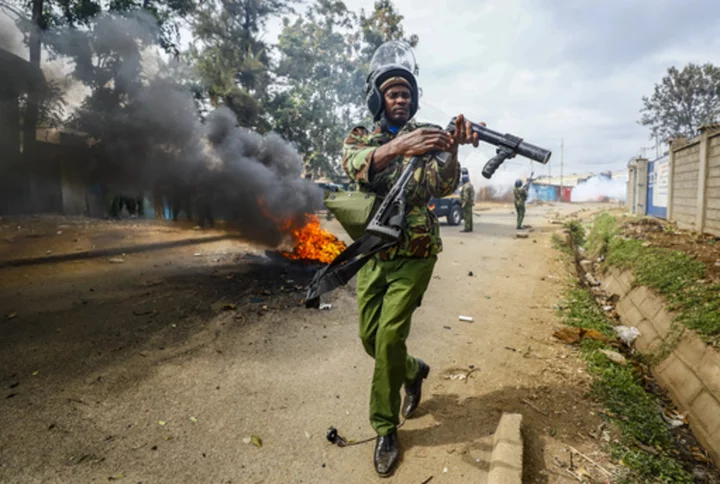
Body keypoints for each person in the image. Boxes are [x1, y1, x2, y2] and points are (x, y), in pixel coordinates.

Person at [341, 41, 483, 477]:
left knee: (387, 338)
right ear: (378, 99)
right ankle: (414, 371)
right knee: (371, 339)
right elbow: (353, 165)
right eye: (391, 93)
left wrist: (453, 148)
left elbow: (441, 185)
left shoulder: (429, 135)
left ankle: (385, 428)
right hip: (374, 252)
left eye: (405, 93)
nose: (399, 99)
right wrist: (398, 148)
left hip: (416, 253)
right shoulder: (362, 136)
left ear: (413, 100)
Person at [459, 168, 475, 232]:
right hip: (470, 203)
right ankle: (470, 228)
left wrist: (463, 204)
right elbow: (473, 194)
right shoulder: (470, 185)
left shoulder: (465, 186)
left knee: (466, 216)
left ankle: (467, 228)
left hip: (467, 203)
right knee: (470, 216)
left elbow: (465, 196)